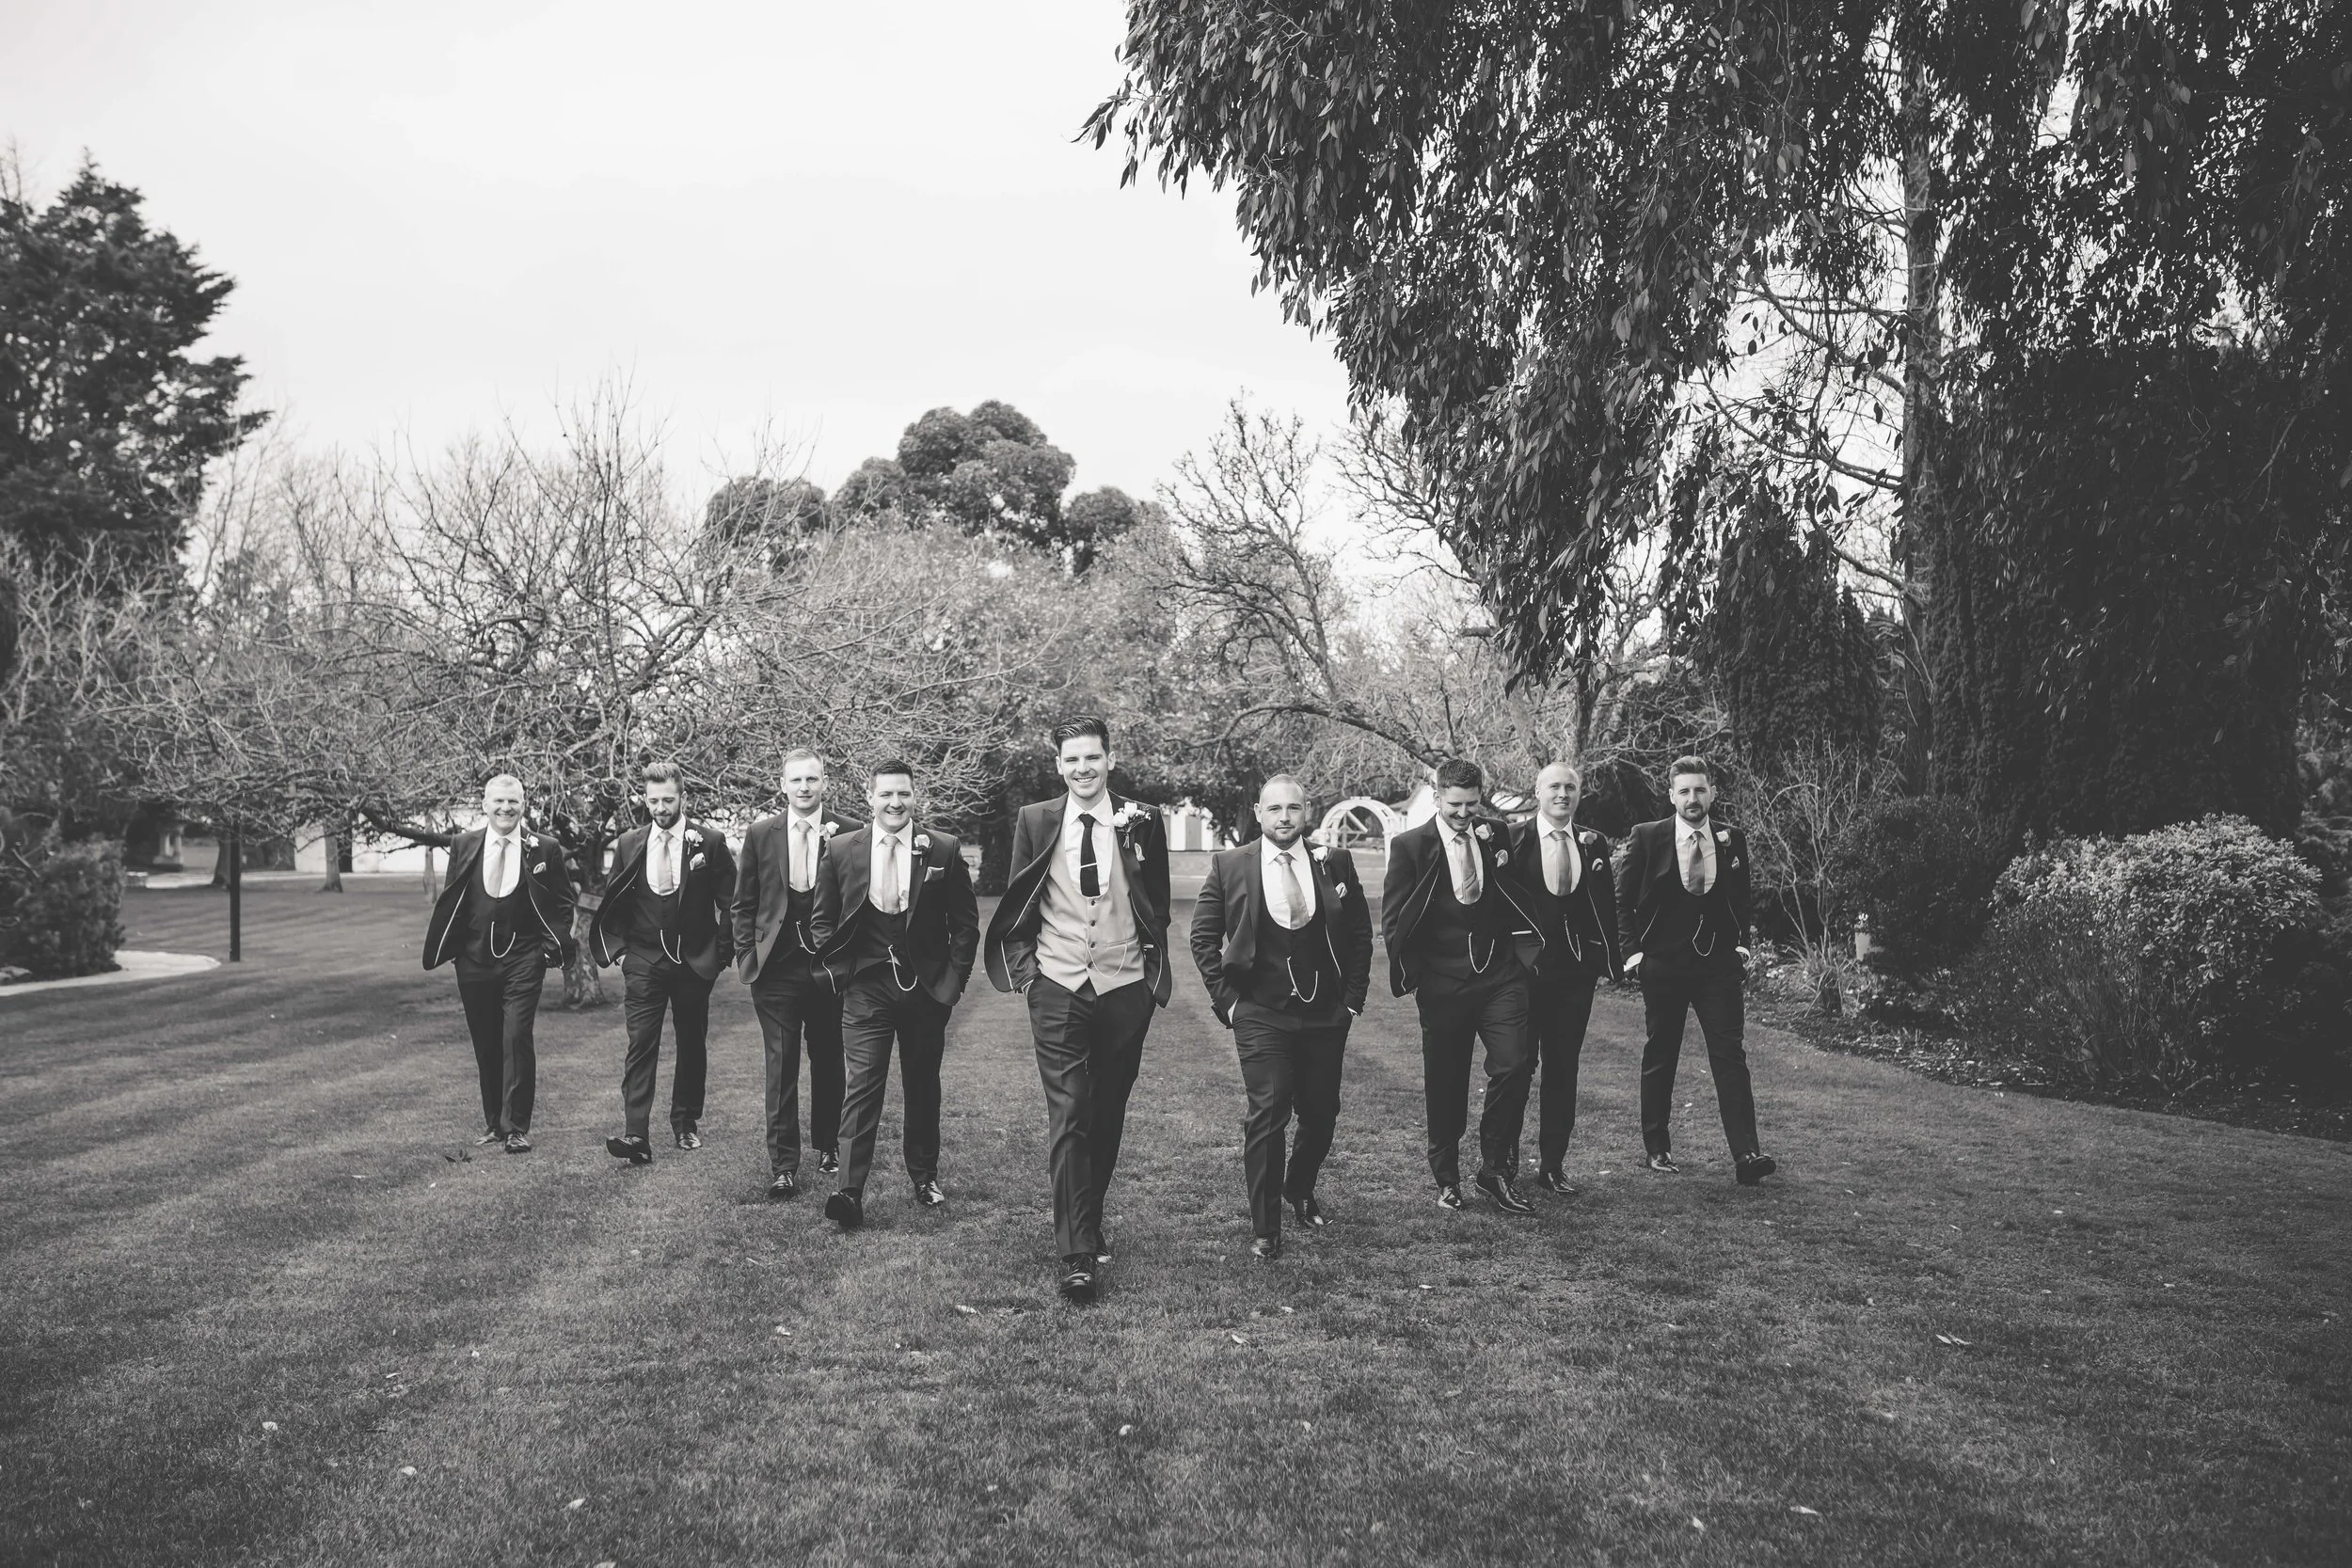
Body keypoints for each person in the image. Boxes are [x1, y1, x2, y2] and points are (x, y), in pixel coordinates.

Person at [982, 717, 1172, 1305]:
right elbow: (1018, 898)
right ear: (1059, 764)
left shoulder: (1143, 820)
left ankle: (1087, 1217)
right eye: (1071, 759)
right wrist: (1028, 974)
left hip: (1125, 985)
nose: (1082, 768)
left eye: (1092, 757)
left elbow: (1158, 904)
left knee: (1107, 1111)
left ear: (1109, 759)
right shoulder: (1035, 819)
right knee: (1069, 1112)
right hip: (1057, 984)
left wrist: (1148, 980)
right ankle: (1076, 1255)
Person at [1188, 775, 1373, 1260]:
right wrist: (1229, 1002)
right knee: (1268, 1114)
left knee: (1321, 1112)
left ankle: (1300, 1187)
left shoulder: (1335, 861)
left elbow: (1359, 934)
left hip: (1325, 1012)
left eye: (1293, 808)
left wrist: (1351, 1000)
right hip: (1260, 1011)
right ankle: (1265, 1226)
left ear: (1306, 811)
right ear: (1259, 813)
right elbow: (1203, 938)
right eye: (1274, 809)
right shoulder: (1230, 865)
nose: (1284, 817)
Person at [808, 759, 978, 1229]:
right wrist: (841, 971)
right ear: (870, 797)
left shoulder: (942, 848)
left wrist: (953, 981)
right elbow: (822, 919)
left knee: (922, 1085)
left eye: (903, 793)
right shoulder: (841, 849)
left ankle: (924, 1177)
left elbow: (965, 925)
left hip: (926, 990)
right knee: (862, 1086)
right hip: (865, 988)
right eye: (886, 794)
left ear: (914, 795)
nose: (895, 802)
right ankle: (849, 1191)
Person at [1379, 758, 1546, 1214]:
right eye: (1455, 804)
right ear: (1437, 797)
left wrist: (1522, 957)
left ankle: (1494, 1168)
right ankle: (1447, 1178)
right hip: (1443, 985)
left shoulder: (1496, 834)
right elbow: (1394, 920)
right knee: (1446, 1083)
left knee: (1515, 1064)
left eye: (1472, 804)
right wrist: (1420, 976)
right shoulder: (1411, 846)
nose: (1463, 813)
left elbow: (1515, 896)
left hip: (1500, 977)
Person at [1614, 755, 1777, 1184]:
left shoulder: (1731, 839)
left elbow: (1742, 898)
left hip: (1718, 968)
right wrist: (1634, 956)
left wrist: (1741, 947)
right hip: (1663, 965)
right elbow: (1623, 901)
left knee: (1730, 1056)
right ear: (1671, 795)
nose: (1692, 798)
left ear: (1712, 793)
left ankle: (1747, 1154)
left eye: (1700, 790)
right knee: (1661, 1054)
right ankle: (1657, 1147)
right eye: (1684, 791)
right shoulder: (1647, 837)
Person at [731, 750, 863, 1197]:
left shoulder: (851, 831)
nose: (804, 787)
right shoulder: (760, 833)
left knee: (829, 1059)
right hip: (775, 970)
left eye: (812, 779)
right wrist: (747, 954)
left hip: (829, 968)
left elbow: (857, 900)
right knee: (781, 1063)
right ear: (782, 784)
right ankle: (783, 1165)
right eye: (796, 780)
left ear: (825, 782)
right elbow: (743, 903)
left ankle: (828, 1146)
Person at [592, 762, 738, 1164]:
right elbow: (615, 900)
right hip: (643, 961)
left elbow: (733, 901)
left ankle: (685, 1123)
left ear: (683, 798)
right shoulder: (629, 843)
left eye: (668, 800)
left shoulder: (710, 842)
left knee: (691, 1043)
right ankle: (635, 1134)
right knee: (641, 1043)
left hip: (694, 962)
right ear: (645, 799)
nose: (660, 808)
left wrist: (721, 953)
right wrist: (622, 951)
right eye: (653, 800)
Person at [422, 774, 576, 1153]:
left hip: (524, 959)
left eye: (513, 801)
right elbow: (453, 899)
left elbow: (563, 902)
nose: (506, 808)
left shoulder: (545, 849)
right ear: (485, 805)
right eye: (498, 801)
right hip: (473, 961)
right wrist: (456, 951)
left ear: (524, 804)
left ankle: (515, 1127)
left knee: (516, 1037)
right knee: (486, 1042)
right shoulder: (463, 845)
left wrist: (545, 951)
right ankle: (494, 1122)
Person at [1506, 761, 1620, 1193]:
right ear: (1538, 792)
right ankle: (1505, 1159)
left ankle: (1553, 1165)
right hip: (1524, 975)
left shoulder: (1593, 843)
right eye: (1554, 786)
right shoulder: (1513, 839)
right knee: (1517, 1067)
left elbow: (1604, 905)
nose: (1562, 794)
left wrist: (1605, 960)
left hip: (1575, 976)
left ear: (1578, 793)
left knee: (1563, 1068)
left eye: (1570, 787)